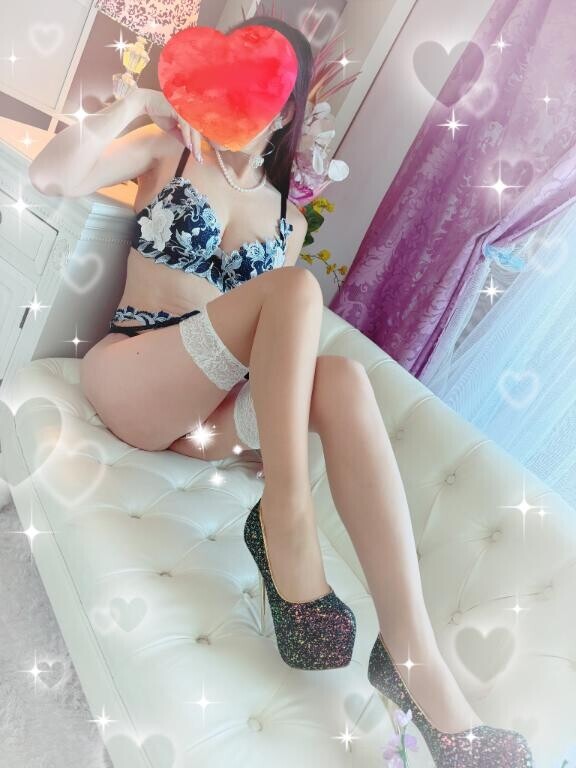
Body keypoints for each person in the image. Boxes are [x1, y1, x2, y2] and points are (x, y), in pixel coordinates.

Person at [27, 15, 533, 767]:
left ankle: (417, 666)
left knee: (345, 377)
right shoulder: (170, 151)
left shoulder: (288, 221)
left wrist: (273, 426)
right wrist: (134, 103)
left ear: (288, 106)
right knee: (296, 290)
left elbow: (271, 348)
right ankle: (285, 522)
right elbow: (51, 177)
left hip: (208, 423)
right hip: (134, 376)